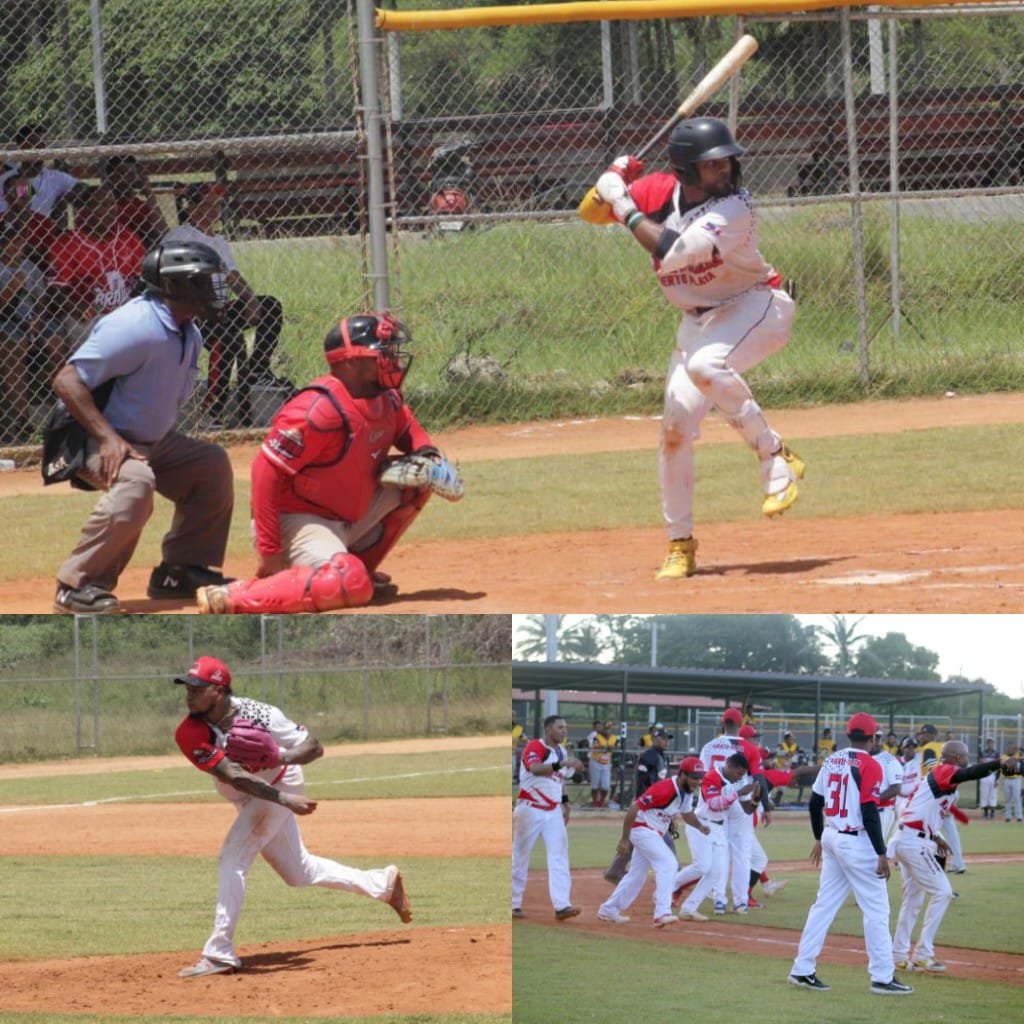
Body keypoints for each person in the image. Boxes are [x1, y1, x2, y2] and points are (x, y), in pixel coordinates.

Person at [591, 117, 802, 580]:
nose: (724, 168)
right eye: (712, 164)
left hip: (755, 307)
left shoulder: (735, 208)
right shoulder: (656, 191)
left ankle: (773, 452)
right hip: (697, 321)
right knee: (675, 428)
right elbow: (591, 211)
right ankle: (680, 544)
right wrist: (612, 177)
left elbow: (673, 250)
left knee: (709, 364)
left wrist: (622, 204)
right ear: (686, 169)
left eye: (727, 160)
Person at [192, 312, 460, 614]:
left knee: (419, 479)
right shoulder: (318, 410)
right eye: (382, 354)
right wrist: (270, 551)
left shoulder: (385, 399)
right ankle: (234, 596)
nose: (393, 360)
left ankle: (357, 570)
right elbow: (264, 472)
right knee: (348, 583)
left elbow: (409, 431)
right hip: (298, 518)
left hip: (344, 513)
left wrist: (431, 458)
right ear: (351, 363)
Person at [172, 654, 411, 977]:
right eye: (187, 687)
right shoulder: (189, 732)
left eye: (197, 688)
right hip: (260, 793)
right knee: (299, 872)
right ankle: (383, 884)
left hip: (281, 780)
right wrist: (283, 800)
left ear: (218, 690)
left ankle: (219, 953)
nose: (189, 694)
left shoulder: (261, 714)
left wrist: (279, 756)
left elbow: (314, 747)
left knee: (233, 855)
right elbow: (234, 776)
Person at [51, 239, 234, 613]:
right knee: (136, 482)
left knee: (210, 466)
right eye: (202, 281)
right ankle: (77, 585)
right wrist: (107, 439)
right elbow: (66, 381)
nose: (213, 289)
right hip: (87, 436)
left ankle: (180, 571)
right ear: (176, 286)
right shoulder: (135, 325)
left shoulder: (190, 331)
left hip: (149, 441)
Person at [788, 712, 913, 996]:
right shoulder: (870, 763)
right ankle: (882, 977)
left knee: (823, 906)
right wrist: (882, 852)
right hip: (855, 840)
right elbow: (870, 810)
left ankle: (802, 969)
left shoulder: (832, 759)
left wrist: (819, 837)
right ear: (871, 738)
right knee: (877, 909)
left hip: (832, 835)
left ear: (848, 735)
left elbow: (814, 802)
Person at [163, 181, 286, 424]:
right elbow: (167, 277)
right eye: (207, 205)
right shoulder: (180, 236)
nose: (214, 211)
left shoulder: (219, 241)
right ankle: (213, 410)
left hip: (220, 307)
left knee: (270, 305)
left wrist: (250, 301)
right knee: (227, 336)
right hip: (193, 311)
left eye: (217, 205)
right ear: (192, 207)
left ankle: (258, 369)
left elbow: (233, 276)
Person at [890, 739, 1011, 973]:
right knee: (943, 892)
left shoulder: (936, 777)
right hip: (914, 843)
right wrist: (999, 762)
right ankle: (924, 953)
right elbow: (970, 773)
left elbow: (920, 810)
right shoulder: (945, 770)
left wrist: (936, 837)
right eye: (965, 757)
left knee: (913, 901)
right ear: (957, 758)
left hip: (911, 838)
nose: (967, 761)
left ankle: (898, 955)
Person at [597, 756, 707, 928]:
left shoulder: (686, 792)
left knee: (636, 875)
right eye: (694, 777)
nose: (698, 781)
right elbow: (634, 807)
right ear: (683, 774)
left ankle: (608, 909)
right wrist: (624, 839)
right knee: (668, 863)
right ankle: (662, 912)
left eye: (700, 778)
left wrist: (700, 827)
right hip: (642, 829)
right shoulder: (664, 789)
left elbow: (687, 814)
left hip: (653, 832)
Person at [48, 184, 146, 349]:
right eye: (101, 205)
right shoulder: (67, 243)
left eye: (111, 204)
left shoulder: (128, 238)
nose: (109, 210)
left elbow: (141, 280)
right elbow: (55, 290)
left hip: (125, 313)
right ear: (86, 210)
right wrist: (77, 308)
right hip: (87, 315)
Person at [511, 714, 586, 921]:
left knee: (560, 855)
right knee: (520, 856)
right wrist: (561, 763)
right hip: (530, 809)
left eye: (565, 727)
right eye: (560, 727)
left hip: (552, 811)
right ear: (548, 730)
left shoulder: (560, 750)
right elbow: (535, 769)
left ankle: (562, 906)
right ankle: (513, 904)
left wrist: (565, 802)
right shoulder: (536, 746)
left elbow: (559, 779)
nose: (564, 731)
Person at [673, 752, 755, 921]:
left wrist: (756, 800)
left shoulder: (735, 782)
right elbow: (714, 804)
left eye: (743, 774)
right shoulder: (712, 776)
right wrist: (738, 793)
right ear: (729, 766)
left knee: (716, 872)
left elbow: (747, 809)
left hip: (719, 829)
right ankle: (667, 886)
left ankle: (688, 909)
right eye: (739, 773)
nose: (740, 777)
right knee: (702, 867)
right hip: (701, 824)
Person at [0, 124, 88, 222]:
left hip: (44, 231)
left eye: (41, 145)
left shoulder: (55, 177)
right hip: (15, 232)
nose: (38, 149)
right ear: (20, 147)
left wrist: (64, 200)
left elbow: (84, 187)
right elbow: (21, 206)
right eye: (32, 144)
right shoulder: (8, 177)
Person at [917, 723, 965, 872]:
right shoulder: (942, 747)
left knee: (930, 827)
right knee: (948, 829)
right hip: (946, 790)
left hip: (936, 793)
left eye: (926, 733)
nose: (922, 736)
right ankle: (958, 864)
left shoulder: (929, 748)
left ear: (933, 735)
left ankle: (936, 862)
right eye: (921, 733)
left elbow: (933, 772)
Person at [103, 155, 169, 249]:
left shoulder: (139, 206)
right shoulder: (102, 207)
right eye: (122, 173)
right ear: (111, 178)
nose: (128, 179)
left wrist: (149, 195)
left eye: (132, 174)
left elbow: (164, 233)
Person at [870, 730, 903, 841]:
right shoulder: (861, 757)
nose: (874, 741)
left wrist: (871, 802)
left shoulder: (889, 760)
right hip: (863, 809)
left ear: (881, 741)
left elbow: (896, 788)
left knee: (875, 845)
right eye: (872, 738)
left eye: (877, 738)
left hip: (882, 810)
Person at [588, 720, 618, 808]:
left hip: (607, 763)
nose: (608, 731)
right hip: (596, 762)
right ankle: (595, 803)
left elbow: (618, 747)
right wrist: (607, 747)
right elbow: (596, 747)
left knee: (606, 786)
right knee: (595, 785)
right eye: (606, 729)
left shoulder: (614, 737)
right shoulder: (597, 737)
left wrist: (610, 748)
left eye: (609, 729)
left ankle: (601, 802)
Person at [978, 736, 1000, 819]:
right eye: (989, 742)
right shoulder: (982, 753)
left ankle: (993, 813)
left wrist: (997, 779)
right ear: (987, 744)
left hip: (993, 776)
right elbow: (980, 764)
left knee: (993, 794)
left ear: (993, 744)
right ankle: (985, 812)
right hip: (984, 775)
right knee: (984, 794)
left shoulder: (997, 753)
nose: (990, 744)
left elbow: (999, 767)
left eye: (992, 742)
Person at [1003, 743, 1023, 822]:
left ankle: (1019, 816)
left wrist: (1019, 747)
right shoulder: (1004, 756)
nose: (1010, 749)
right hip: (1007, 779)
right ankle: (1008, 816)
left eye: (1012, 748)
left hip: (1016, 779)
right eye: (1009, 748)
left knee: (1017, 798)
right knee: (1008, 799)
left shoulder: (1019, 755)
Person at [512, 710, 525, 784]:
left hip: (512, 754)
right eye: (513, 716)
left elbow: (525, 740)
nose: (515, 718)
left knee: (513, 769)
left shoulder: (519, 729)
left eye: (515, 716)